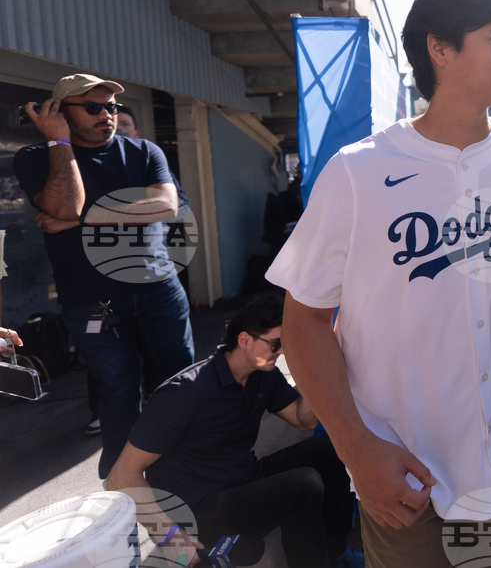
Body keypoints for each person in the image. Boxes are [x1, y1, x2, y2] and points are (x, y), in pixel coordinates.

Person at [265, 0, 491, 568]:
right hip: (402, 472)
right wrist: (357, 451)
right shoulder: (357, 173)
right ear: (440, 48)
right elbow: (303, 324)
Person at [12, 74, 195, 479]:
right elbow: (64, 206)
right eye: (93, 107)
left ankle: (187, 470)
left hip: (158, 291)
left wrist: (84, 219)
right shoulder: (35, 156)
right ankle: (123, 484)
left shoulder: (144, 151)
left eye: (111, 107)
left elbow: (165, 205)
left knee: (178, 383)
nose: (107, 115)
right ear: (60, 112)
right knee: (119, 392)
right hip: (92, 300)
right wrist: (60, 141)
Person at [107, 295, 360, 568]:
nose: (283, 351)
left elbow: (303, 419)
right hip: (198, 510)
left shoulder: (263, 374)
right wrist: (171, 536)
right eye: (276, 343)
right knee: (304, 484)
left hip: (240, 481)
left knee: (337, 448)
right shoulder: (184, 393)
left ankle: (333, 551)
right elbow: (120, 477)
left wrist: (319, 367)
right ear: (244, 340)